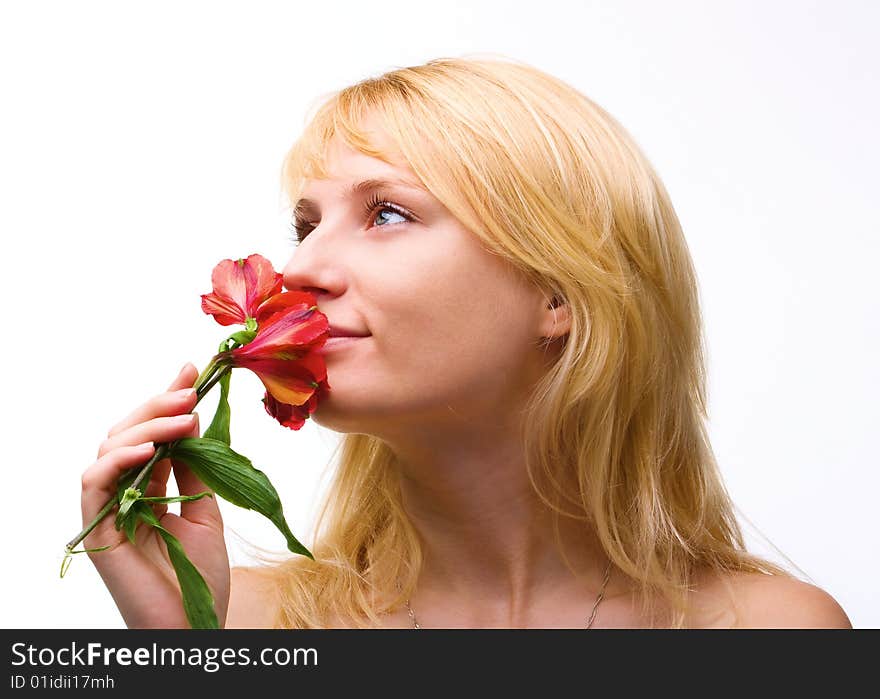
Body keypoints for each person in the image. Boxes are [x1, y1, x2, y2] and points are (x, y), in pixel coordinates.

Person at [80, 55, 852, 629]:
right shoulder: (239, 625)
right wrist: (182, 653)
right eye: (306, 226)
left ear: (559, 293)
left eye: (386, 213)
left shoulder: (776, 632)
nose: (300, 268)